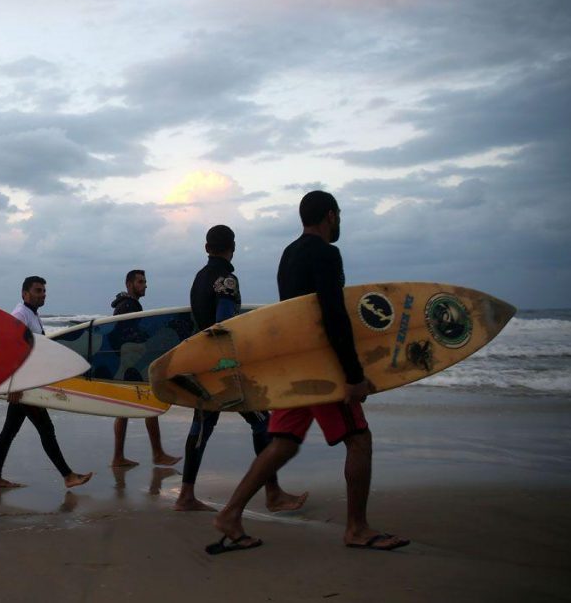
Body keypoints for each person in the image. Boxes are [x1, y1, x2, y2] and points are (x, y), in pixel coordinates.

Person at [208, 191, 410, 554]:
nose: (339, 222)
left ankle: (230, 514)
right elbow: (332, 315)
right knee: (359, 439)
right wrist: (352, 374)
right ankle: (357, 528)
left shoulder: (289, 254)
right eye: (339, 216)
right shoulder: (326, 254)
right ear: (330, 215)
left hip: (296, 365)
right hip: (323, 368)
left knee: (283, 442)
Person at [174, 225, 307, 514]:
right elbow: (223, 326)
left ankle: (185, 495)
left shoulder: (200, 277)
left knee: (202, 427)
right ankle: (272, 493)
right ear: (232, 247)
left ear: (206, 247)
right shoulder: (226, 279)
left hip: (202, 365)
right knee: (263, 423)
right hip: (224, 371)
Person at [0, 276, 94, 490]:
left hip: (30, 383)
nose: (42, 294)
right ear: (25, 293)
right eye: (38, 290)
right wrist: (15, 384)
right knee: (46, 428)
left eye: (44, 290)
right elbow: (9, 351)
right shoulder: (19, 315)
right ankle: (68, 475)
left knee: (9, 430)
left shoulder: (32, 314)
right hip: (24, 385)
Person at [109, 269, 182, 468]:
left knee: (124, 410)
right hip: (132, 365)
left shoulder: (126, 305)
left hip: (126, 365)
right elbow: (129, 336)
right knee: (150, 405)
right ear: (129, 284)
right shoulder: (128, 306)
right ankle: (157, 454)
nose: (145, 285)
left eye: (145, 281)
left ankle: (118, 457)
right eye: (140, 282)